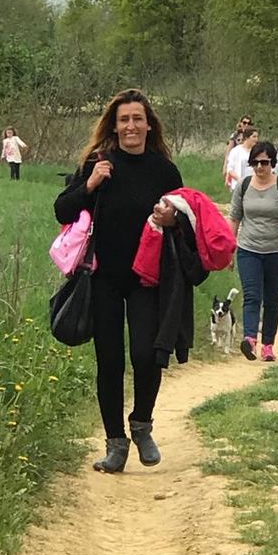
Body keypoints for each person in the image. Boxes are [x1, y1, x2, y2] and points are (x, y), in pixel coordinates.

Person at [54, 88, 183, 474]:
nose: (130, 126)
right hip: (104, 279)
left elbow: (185, 219)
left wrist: (172, 220)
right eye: (123, 119)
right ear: (114, 124)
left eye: (137, 119)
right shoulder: (99, 163)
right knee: (109, 361)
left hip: (146, 277)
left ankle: (142, 424)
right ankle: (115, 444)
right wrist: (90, 183)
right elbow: (61, 208)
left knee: (146, 355)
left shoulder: (164, 170)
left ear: (148, 125)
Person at [228, 141, 278, 363]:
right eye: (256, 162)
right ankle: (250, 339)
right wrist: (230, 248)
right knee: (251, 296)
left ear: (272, 163)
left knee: (271, 298)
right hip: (248, 249)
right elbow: (234, 218)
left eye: (265, 162)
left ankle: (268, 345)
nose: (260, 167)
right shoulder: (244, 186)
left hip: (276, 251)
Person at [225, 125, 258, 190]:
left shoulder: (257, 151)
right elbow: (230, 169)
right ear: (247, 137)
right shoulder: (236, 151)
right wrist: (240, 180)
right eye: (254, 137)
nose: (256, 139)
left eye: (257, 137)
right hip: (238, 185)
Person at [222, 114, 253, 178]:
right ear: (241, 123)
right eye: (244, 123)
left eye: (248, 123)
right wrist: (225, 166)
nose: (246, 125)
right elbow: (228, 151)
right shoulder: (235, 135)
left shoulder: (252, 136)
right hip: (235, 160)